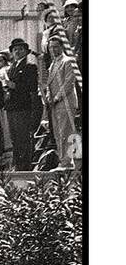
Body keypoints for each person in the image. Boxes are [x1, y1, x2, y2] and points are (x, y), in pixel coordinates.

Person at [44, 36, 80, 168]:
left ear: (62, 47)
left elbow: (68, 83)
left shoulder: (68, 61)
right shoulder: (53, 63)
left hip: (65, 101)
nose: (53, 49)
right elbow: (49, 84)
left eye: (56, 46)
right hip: (54, 103)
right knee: (58, 132)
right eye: (51, 47)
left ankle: (68, 161)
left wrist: (57, 97)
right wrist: (49, 96)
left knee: (66, 132)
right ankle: (63, 159)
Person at [5, 38, 39, 171]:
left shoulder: (30, 67)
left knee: (23, 137)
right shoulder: (12, 67)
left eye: (20, 49)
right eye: (15, 50)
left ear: (26, 51)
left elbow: (32, 87)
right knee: (14, 138)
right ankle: (17, 165)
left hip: (22, 107)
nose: (17, 52)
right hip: (11, 106)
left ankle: (25, 166)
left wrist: (15, 86)